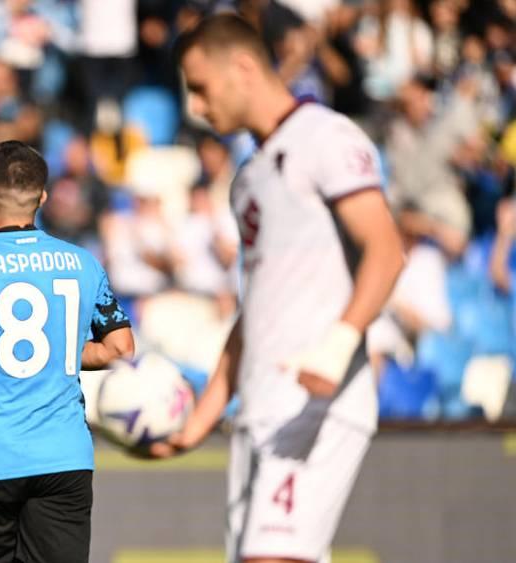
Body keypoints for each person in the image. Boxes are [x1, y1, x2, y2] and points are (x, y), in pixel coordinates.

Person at [151, 15, 405, 563]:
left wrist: (339, 345)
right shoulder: (248, 178)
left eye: (200, 87)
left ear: (242, 68)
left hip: (315, 400)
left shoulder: (326, 137)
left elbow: (386, 251)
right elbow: (255, 309)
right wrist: (200, 420)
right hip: (260, 411)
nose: (195, 105)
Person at [0, 141, 135, 562]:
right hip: (64, 456)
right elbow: (119, 348)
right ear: (43, 198)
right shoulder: (81, 261)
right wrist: (62, 354)